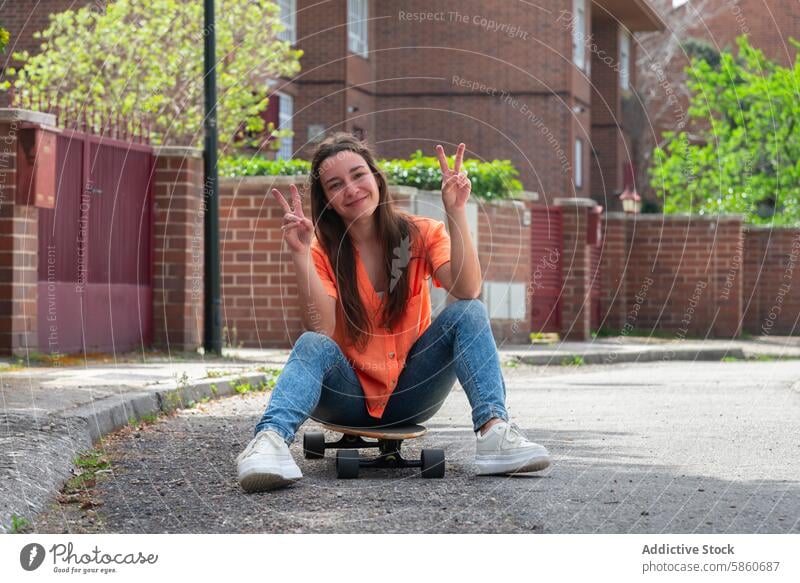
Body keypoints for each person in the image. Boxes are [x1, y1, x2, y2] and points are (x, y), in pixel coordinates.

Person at [236, 132, 551, 493]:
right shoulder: (320, 249)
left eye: (358, 175)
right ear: (327, 200)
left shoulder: (421, 233)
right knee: (312, 343)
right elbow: (321, 326)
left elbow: (466, 289)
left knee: (469, 312)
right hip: (345, 398)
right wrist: (300, 254)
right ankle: (269, 443)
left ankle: (494, 431)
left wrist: (455, 211)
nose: (352, 189)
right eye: (336, 185)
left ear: (376, 177)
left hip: (411, 393)